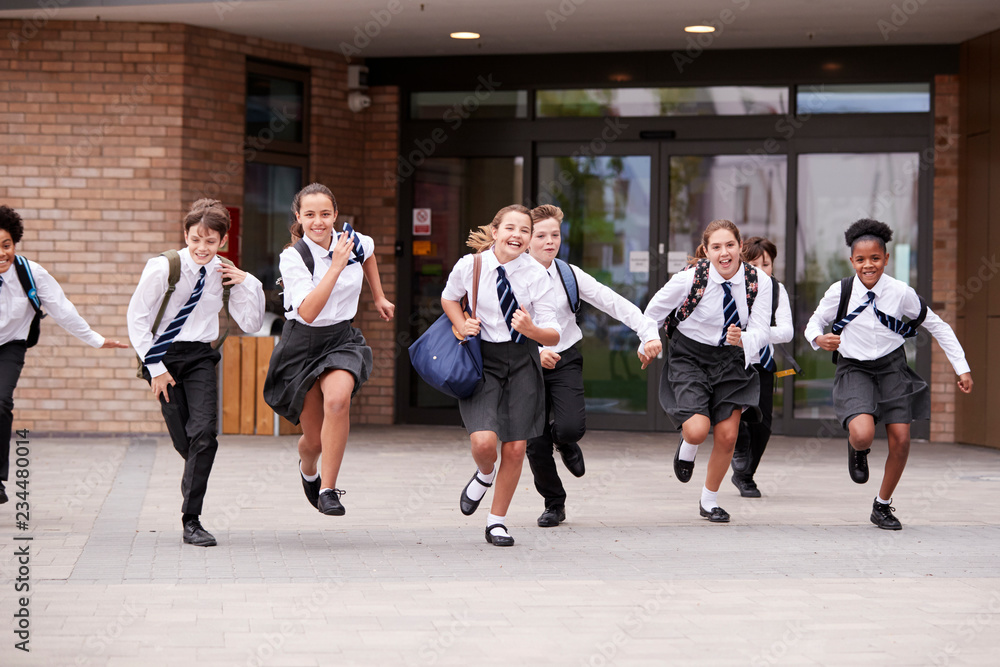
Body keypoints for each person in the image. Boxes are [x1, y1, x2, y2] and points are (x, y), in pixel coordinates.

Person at [804, 218, 972, 530]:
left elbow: (938, 325)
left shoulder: (900, 293)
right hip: (854, 367)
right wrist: (818, 338)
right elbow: (814, 322)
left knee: (902, 440)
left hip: (892, 367)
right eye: (861, 259)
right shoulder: (839, 291)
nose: (869, 265)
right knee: (864, 433)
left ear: (886, 259)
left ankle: (881, 505)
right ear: (852, 260)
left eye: (875, 258)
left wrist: (961, 367)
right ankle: (857, 445)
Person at [128, 199, 264, 546]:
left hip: (201, 356)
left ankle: (192, 520)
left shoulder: (226, 272)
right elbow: (137, 320)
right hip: (163, 356)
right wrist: (155, 369)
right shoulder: (163, 268)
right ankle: (196, 473)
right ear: (185, 236)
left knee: (204, 434)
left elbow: (249, 322)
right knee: (186, 442)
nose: (202, 248)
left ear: (223, 240)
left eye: (210, 241)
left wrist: (249, 283)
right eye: (195, 240)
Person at [525, 204, 662, 527]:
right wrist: (534, 350)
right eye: (541, 235)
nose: (549, 242)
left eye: (555, 235)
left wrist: (648, 333)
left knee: (571, 426)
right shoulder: (511, 275)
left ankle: (565, 440)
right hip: (525, 363)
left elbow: (612, 301)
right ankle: (554, 503)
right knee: (533, 440)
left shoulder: (569, 274)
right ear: (527, 240)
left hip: (565, 357)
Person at [263, 183, 394, 517]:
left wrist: (378, 295)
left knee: (338, 400)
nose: (318, 221)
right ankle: (309, 468)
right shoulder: (293, 258)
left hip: (341, 338)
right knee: (314, 440)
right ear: (298, 217)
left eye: (325, 213)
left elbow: (369, 256)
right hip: (302, 343)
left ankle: (328, 490)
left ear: (335, 214)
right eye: (310, 215)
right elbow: (307, 311)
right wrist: (335, 266)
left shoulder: (354, 241)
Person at [442, 204, 561, 546]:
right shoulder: (472, 265)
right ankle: (484, 473)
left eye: (525, 230)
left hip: (523, 360)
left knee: (515, 447)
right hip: (483, 359)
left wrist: (533, 329)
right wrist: (460, 323)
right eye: (510, 228)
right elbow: (449, 298)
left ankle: (496, 522)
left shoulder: (537, 274)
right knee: (483, 442)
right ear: (495, 232)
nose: (517, 235)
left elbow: (554, 334)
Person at [644, 219, 772, 523]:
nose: (724, 253)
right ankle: (688, 445)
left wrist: (745, 339)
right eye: (716, 247)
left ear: (740, 247)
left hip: (731, 359)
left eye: (730, 245)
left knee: (728, 435)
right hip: (690, 356)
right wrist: (648, 341)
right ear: (707, 250)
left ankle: (709, 500)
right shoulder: (689, 279)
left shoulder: (759, 282)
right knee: (698, 429)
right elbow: (652, 313)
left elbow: (762, 330)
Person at [0, 205, 128, 506]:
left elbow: (63, 310)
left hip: (11, 345)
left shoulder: (30, 274)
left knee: (1, 401)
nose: (2, 253)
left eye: (6, 245)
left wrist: (95, 340)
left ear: (15, 243)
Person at [730, 236, 794, 498]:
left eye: (765, 264)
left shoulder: (777, 291)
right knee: (734, 419)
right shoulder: (731, 289)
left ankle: (745, 475)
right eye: (753, 264)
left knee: (763, 426)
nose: (760, 270)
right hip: (731, 365)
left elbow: (788, 332)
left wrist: (753, 334)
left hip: (763, 366)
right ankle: (740, 463)